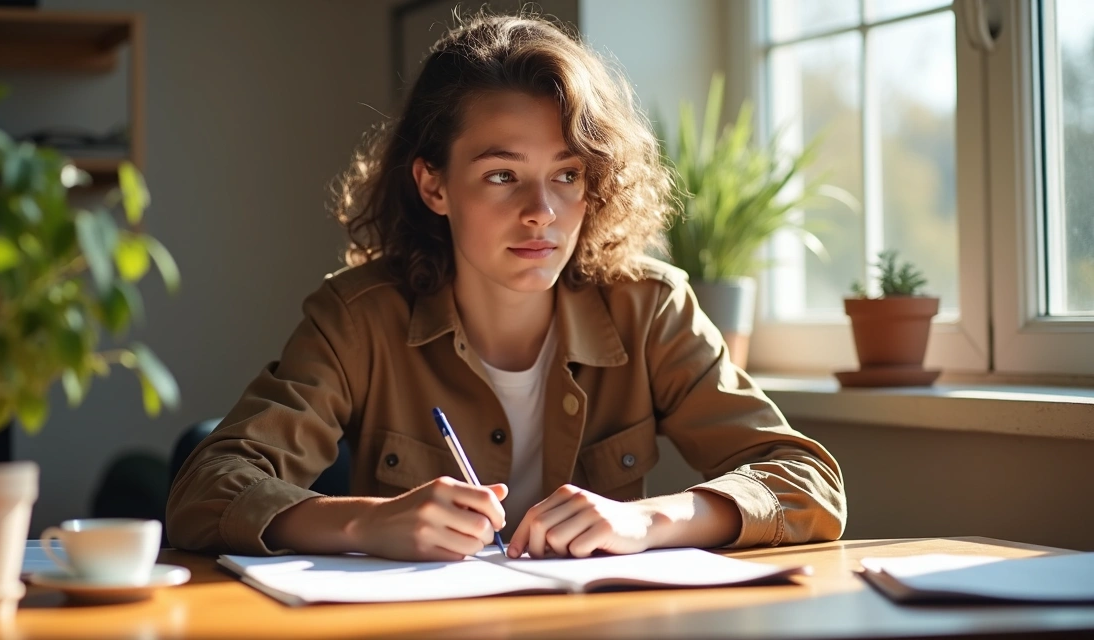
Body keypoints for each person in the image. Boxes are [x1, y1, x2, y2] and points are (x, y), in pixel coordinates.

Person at [167, 11, 845, 561]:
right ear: (434, 185)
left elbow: (806, 482)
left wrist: (648, 521)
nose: (541, 212)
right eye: (502, 175)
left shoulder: (650, 307)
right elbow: (205, 489)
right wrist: (362, 522)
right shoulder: (357, 318)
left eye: (567, 175)